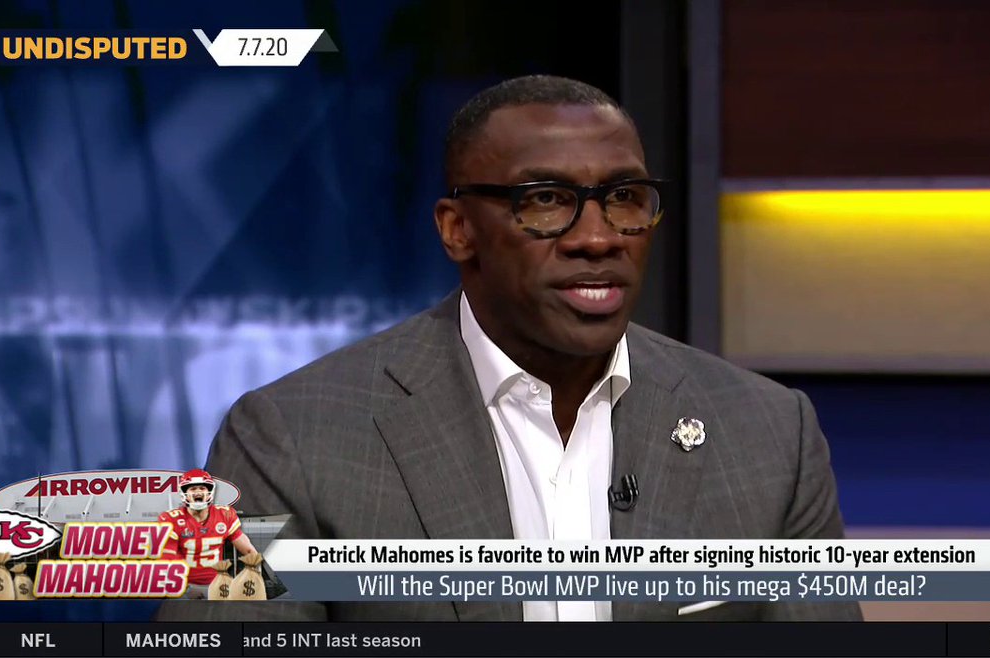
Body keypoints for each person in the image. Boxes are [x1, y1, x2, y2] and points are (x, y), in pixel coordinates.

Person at [155, 75, 861, 621]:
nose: (598, 237)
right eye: (546, 200)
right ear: (458, 229)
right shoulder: (291, 438)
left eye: (625, 197)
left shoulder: (770, 435)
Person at [158, 469, 257, 599]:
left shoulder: (225, 515)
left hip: (217, 585)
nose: (198, 492)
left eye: (202, 488)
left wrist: (252, 575)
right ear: (184, 493)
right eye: (193, 489)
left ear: (209, 491)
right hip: (185, 586)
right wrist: (185, 588)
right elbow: (167, 559)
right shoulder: (172, 519)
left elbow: (249, 551)